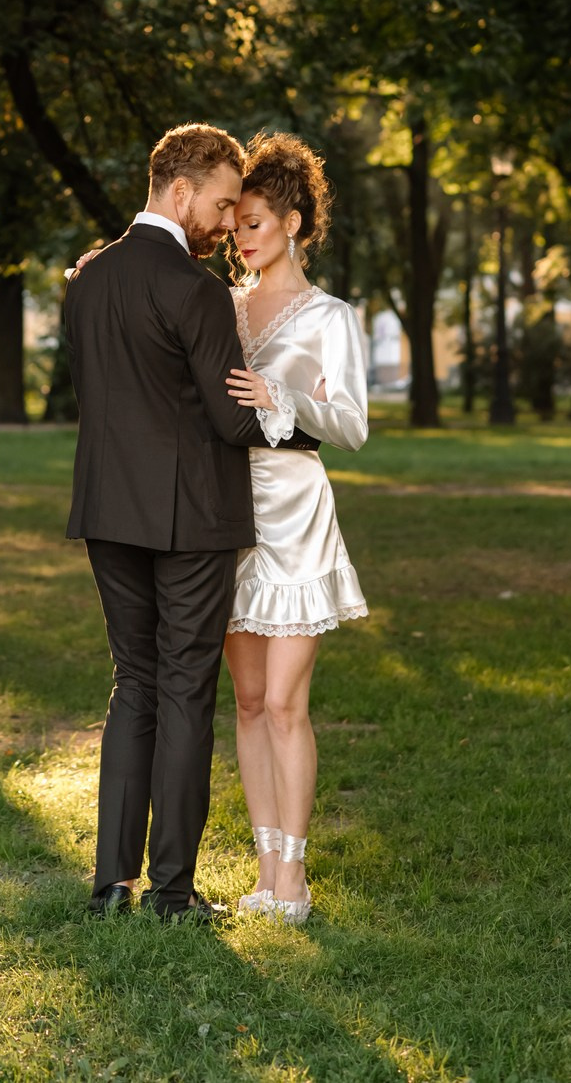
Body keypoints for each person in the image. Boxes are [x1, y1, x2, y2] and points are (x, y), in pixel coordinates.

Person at [63, 122, 318, 923]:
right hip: (192, 519)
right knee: (182, 690)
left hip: (107, 510)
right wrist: (306, 432)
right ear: (181, 190)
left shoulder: (88, 278)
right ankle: (174, 892)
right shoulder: (195, 288)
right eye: (216, 203)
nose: (221, 220)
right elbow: (234, 420)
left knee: (132, 684)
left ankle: (112, 886)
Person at [222, 131, 368, 926]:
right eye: (236, 223)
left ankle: (297, 883)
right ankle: (265, 870)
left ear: (296, 223)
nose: (240, 237)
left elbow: (352, 427)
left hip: (297, 514)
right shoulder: (223, 305)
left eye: (254, 223)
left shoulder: (331, 318)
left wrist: (289, 401)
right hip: (225, 514)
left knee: (285, 702)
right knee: (246, 701)